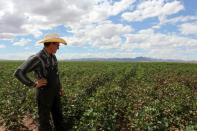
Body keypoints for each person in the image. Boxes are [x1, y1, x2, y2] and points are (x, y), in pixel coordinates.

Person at [14, 33, 67, 131]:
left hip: (55, 92)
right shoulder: (37, 58)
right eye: (57, 45)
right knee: (44, 120)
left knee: (58, 116)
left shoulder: (53, 57)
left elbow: (56, 74)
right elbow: (19, 72)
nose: (58, 48)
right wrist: (34, 84)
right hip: (44, 93)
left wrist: (59, 87)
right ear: (51, 44)